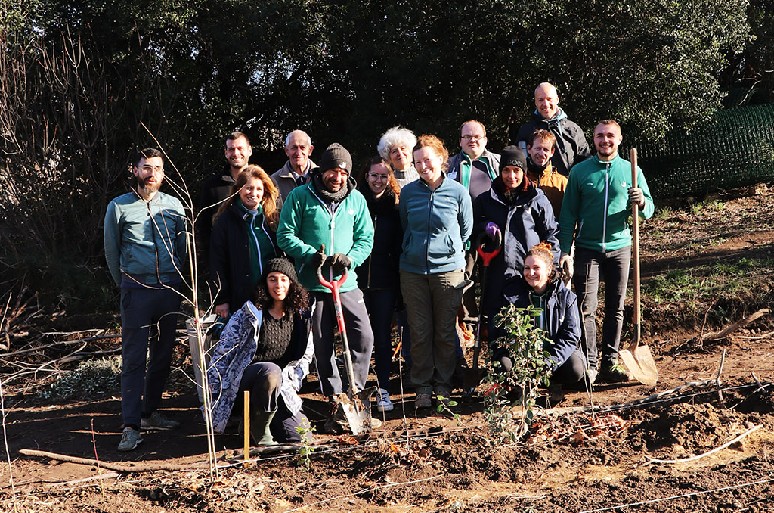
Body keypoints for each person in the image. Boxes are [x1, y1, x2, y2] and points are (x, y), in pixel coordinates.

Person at [276, 143, 375, 431]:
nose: (337, 176)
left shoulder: (355, 200)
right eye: (332, 170)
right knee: (321, 342)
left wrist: (351, 258)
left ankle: (355, 389)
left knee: (363, 335)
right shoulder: (300, 196)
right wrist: (310, 254)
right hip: (312, 281)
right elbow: (285, 235)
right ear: (323, 170)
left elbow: (365, 238)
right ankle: (333, 395)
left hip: (346, 282)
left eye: (343, 171)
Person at [558, 120, 655, 384]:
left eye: (610, 136)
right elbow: (567, 216)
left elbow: (649, 209)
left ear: (619, 139)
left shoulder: (631, 170)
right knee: (585, 308)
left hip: (620, 248)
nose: (605, 140)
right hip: (588, 249)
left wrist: (642, 200)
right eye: (600, 135)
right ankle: (589, 363)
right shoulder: (580, 172)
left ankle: (609, 363)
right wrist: (566, 251)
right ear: (593, 139)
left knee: (616, 308)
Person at [104, 148, 187, 452]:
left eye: (157, 168)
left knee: (164, 354)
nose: (151, 173)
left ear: (163, 175)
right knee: (134, 358)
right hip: (136, 291)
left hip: (168, 291)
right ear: (135, 170)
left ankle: (150, 412)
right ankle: (130, 426)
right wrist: (126, 284)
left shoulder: (174, 206)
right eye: (146, 167)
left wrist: (180, 282)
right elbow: (112, 252)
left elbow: (183, 248)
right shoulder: (119, 207)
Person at [207, 258, 314, 445]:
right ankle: (257, 426)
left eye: (283, 279)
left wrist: (293, 381)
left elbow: (306, 355)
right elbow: (222, 353)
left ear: (292, 284)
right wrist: (213, 392)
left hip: (281, 387)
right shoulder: (249, 313)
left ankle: (260, 423)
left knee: (301, 438)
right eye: (272, 279)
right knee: (270, 371)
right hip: (246, 383)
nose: (278, 285)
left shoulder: (300, 316)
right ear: (265, 282)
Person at [400, 134, 472, 409]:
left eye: (427, 160)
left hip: (448, 270)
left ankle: (444, 383)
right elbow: (405, 225)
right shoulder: (408, 192)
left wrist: (450, 250)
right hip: (413, 271)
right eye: (417, 162)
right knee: (419, 330)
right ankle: (423, 386)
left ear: (441, 159)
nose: (422, 166)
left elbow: (466, 230)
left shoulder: (457, 192)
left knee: (444, 331)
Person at [473, 145, 559, 335]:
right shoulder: (486, 200)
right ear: (500, 171)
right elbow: (473, 230)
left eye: (516, 171)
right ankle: (500, 363)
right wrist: (484, 227)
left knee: (529, 326)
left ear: (524, 171)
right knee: (498, 328)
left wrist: (551, 267)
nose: (511, 176)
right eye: (506, 170)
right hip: (496, 272)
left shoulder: (536, 199)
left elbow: (551, 234)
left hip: (527, 274)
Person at [497, 243, 585, 401]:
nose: (530, 273)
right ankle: (521, 386)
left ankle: (554, 383)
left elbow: (571, 336)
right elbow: (504, 332)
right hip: (524, 358)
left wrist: (549, 362)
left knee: (575, 368)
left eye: (536, 268)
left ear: (549, 270)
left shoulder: (566, 297)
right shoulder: (513, 296)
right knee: (503, 365)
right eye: (526, 268)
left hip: (552, 359)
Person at [355, 157, 403, 413]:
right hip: (357, 282)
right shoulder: (354, 202)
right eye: (374, 175)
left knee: (383, 337)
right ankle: (357, 389)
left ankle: (383, 388)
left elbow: (399, 246)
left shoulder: (395, 207)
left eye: (384, 176)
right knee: (360, 338)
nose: (378, 180)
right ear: (366, 176)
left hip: (385, 282)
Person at [209, 165, 280, 320]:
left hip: (272, 295)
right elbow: (217, 262)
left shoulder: (272, 219)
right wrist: (221, 299)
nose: (253, 193)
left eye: (258, 189)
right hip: (241, 296)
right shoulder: (225, 221)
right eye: (248, 188)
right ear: (238, 189)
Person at [199, 132, 253, 269]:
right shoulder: (212, 187)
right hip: (224, 263)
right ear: (225, 153)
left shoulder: (263, 184)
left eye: (240, 148)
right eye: (231, 149)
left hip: (256, 259)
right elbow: (204, 227)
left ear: (249, 150)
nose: (236, 153)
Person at [512, 82, 590, 176]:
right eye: (541, 100)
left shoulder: (573, 129)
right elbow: (519, 163)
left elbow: (586, 162)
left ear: (557, 99)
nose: (545, 104)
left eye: (549, 99)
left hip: (569, 187)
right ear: (535, 102)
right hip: (534, 187)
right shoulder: (526, 131)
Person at [526, 129, 568, 219]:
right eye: (538, 148)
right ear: (529, 149)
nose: (541, 153)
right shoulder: (519, 179)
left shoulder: (562, 183)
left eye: (546, 149)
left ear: (552, 152)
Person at [271, 130, 316, 201]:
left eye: (302, 147)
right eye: (294, 148)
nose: (298, 153)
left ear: (310, 150)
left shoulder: (321, 177)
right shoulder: (274, 181)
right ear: (286, 151)